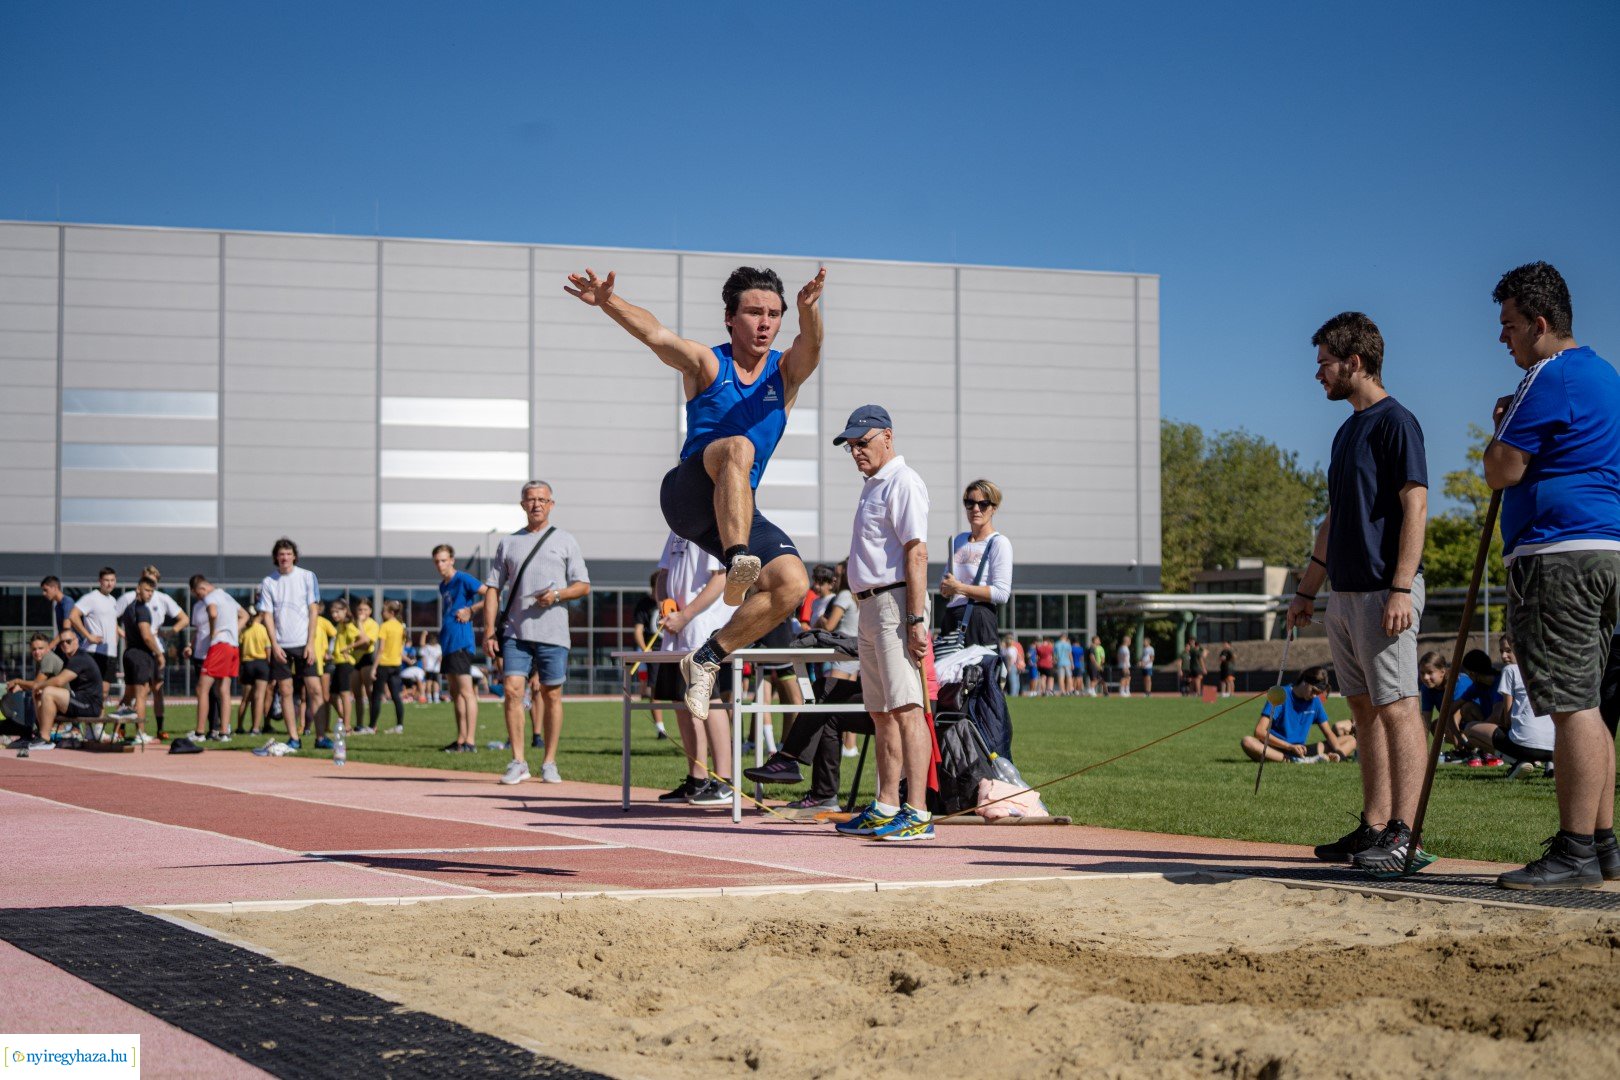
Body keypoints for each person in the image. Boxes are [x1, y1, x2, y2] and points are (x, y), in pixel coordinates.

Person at [565, 263, 825, 721]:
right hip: (687, 494)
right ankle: (739, 559)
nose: (765, 322)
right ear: (730, 317)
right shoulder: (709, 363)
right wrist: (608, 301)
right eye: (753, 312)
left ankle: (707, 656)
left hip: (733, 507)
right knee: (737, 446)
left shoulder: (785, 373)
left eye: (774, 313)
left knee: (791, 585)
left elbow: (813, 345)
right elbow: (657, 335)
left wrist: (808, 311)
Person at [1484, 261, 1620, 889]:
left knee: (1571, 707)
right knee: (1589, 702)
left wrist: (1500, 430)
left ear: (1540, 324)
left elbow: (1502, 469)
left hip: (1559, 553)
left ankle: (1574, 850)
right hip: (1604, 548)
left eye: (1509, 325)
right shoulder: (1604, 374)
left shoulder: (1550, 374)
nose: (1503, 337)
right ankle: (1601, 842)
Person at [1289, 311, 1431, 879]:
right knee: (1365, 710)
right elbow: (1334, 519)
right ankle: (1375, 825)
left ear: (1355, 361)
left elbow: (1415, 504)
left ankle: (1407, 834)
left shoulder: (1398, 422)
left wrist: (1401, 586)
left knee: (1399, 708)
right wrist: (1306, 591)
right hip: (1345, 595)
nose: (1318, 374)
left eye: (1324, 362)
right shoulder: (1346, 429)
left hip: (1383, 591)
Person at [828, 405, 934, 842]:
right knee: (880, 712)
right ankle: (886, 804)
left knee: (907, 709)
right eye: (851, 445)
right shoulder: (872, 486)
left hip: (894, 602)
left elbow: (917, 551)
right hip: (870, 606)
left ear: (887, 436)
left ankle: (919, 813)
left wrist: (915, 618)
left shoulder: (902, 481)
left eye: (863, 442)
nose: (856, 451)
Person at [482, 480, 591, 785]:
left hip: (553, 632)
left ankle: (549, 761)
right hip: (515, 632)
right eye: (531, 500)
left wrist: (556, 596)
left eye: (542, 499)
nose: (537, 504)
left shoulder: (565, 540)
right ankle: (518, 760)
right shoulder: (508, 543)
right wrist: (489, 631)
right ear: (522, 505)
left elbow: (583, 585)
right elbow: (493, 588)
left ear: (551, 504)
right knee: (513, 690)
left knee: (551, 694)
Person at [652, 531, 736, 806]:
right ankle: (697, 778)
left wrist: (686, 615)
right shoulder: (677, 529)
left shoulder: (709, 526)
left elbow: (720, 578)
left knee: (709, 701)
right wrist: (665, 607)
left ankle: (725, 780)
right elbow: (663, 573)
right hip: (676, 633)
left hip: (702, 630)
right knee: (681, 702)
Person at [259, 538, 324, 751]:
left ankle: (321, 736)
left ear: (294, 555)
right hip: (281, 645)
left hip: (303, 643)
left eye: (288, 553)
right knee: (285, 691)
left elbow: (313, 611)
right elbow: (267, 615)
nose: (284, 557)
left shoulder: (307, 576)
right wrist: (274, 644)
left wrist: (311, 643)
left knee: (315, 689)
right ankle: (293, 737)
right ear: (276, 557)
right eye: (281, 554)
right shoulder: (269, 582)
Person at [1459, 636, 1555, 779]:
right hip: (1554, 747)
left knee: (1470, 730)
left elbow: (1507, 718)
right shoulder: (1548, 670)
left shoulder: (1510, 670)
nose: (1504, 656)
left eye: (1509, 651)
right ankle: (1551, 767)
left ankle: (1517, 762)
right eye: (1501, 651)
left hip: (1525, 745)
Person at [111, 564, 188, 733]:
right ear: (140, 584)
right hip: (140, 650)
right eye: (147, 582)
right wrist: (121, 632)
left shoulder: (162, 599)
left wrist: (169, 633)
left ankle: (159, 729)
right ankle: (132, 730)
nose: (150, 587)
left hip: (153, 648)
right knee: (138, 692)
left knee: (155, 690)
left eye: (153, 583)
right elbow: (112, 616)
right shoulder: (131, 600)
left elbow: (184, 619)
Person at [940, 480, 1013, 651]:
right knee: (948, 676)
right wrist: (946, 588)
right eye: (970, 503)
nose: (975, 509)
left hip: (978, 619)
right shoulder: (959, 540)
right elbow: (945, 585)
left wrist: (959, 588)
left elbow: (1002, 593)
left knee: (975, 676)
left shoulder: (998, 543)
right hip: (952, 617)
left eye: (983, 504)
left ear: (994, 508)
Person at [1241, 666, 1354, 763]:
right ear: (1305, 681)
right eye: (1313, 691)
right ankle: (1294, 761)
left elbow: (1329, 733)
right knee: (1247, 741)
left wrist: (1338, 753)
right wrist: (1289, 746)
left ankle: (1326, 759)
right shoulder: (1280, 694)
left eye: (1318, 693)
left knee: (1351, 740)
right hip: (1277, 748)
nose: (1315, 696)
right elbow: (1259, 731)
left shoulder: (1315, 702)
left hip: (1301, 749)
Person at [433, 544, 484, 752]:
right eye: (437, 561)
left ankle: (470, 741)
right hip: (447, 644)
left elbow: (491, 594)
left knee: (466, 692)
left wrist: (471, 610)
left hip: (461, 642)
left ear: (452, 560)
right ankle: (461, 739)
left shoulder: (463, 579)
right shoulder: (443, 586)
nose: (440, 565)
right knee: (455, 693)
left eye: (443, 560)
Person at [185, 574, 241, 747]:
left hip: (219, 646)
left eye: (199, 595)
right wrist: (232, 630)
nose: (201, 599)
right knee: (223, 689)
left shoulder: (211, 597)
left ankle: (200, 732)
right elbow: (245, 615)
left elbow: (213, 612)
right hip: (233, 646)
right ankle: (224, 732)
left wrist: (214, 631)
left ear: (202, 588)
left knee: (202, 688)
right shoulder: (227, 596)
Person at [28, 628, 103, 749]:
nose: (64, 644)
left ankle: (45, 739)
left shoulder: (79, 658)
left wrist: (38, 685)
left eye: (68, 641)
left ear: (77, 641)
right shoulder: (70, 659)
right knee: (39, 694)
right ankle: (41, 734)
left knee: (47, 691)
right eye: (62, 642)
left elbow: (59, 681)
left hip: (89, 705)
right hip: (79, 700)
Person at [114, 575, 162, 743]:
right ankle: (140, 733)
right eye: (147, 590)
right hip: (140, 655)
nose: (149, 594)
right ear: (138, 589)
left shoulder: (129, 608)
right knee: (141, 695)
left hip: (129, 654)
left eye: (152, 591)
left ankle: (116, 731)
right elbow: (147, 635)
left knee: (128, 696)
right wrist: (159, 653)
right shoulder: (142, 609)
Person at [68, 567, 119, 700]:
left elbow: (111, 623)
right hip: (94, 652)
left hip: (110, 653)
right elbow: (73, 616)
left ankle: (98, 721)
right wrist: (88, 636)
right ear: (100, 581)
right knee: (91, 690)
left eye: (112, 580)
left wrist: (119, 635)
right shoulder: (91, 598)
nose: (109, 583)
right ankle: (84, 719)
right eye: (106, 580)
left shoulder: (113, 600)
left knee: (104, 692)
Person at [4, 633, 63, 745]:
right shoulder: (41, 660)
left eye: (41, 648)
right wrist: (21, 686)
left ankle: (30, 734)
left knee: (30, 696)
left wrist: (17, 681)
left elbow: (36, 684)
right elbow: (39, 684)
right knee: (29, 694)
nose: (37, 652)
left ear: (48, 648)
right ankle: (29, 734)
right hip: (53, 699)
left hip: (64, 702)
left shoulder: (48, 658)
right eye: (34, 649)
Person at [631, 573, 669, 739]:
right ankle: (661, 729)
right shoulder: (644, 604)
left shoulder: (672, 602)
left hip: (672, 651)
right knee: (656, 692)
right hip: (654, 651)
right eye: (656, 589)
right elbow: (638, 631)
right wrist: (645, 649)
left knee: (679, 692)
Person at [371, 600, 407, 740]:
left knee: (377, 696)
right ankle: (399, 725)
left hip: (384, 664)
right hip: (396, 664)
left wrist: (374, 668)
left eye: (383, 611)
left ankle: (371, 725)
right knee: (396, 696)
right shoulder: (400, 627)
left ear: (391, 613)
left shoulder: (385, 626)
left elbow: (380, 649)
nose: (381, 614)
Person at [325, 599, 359, 736]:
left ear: (345, 610)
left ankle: (347, 727)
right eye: (332, 612)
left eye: (337, 611)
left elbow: (363, 638)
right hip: (337, 662)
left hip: (346, 663)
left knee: (345, 694)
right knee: (332, 697)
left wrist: (348, 648)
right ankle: (345, 720)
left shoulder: (348, 624)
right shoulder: (339, 625)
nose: (334, 615)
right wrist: (332, 654)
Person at [238, 611, 271, 735]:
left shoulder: (245, 630)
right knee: (259, 697)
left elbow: (240, 651)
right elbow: (268, 651)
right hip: (261, 664)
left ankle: (240, 726)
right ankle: (256, 728)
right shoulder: (263, 629)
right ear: (260, 615)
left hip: (247, 664)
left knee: (245, 699)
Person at [352, 597, 378, 719]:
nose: (362, 612)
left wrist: (360, 624)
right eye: (360, 609)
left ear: (370, 611)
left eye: (365, 609)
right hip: (353, 660)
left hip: (367, 659)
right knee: (357, 695)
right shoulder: (352, 623)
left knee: (370, 692)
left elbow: (366, 643)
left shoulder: (373, 624)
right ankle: (359, 723)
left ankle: (373, 723)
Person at [39, 576, 75, 652]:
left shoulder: (67, 602)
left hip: (73, 646)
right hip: (63, 644)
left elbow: (66, 630)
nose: (44, 593)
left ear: (55, 588)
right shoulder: (57, 606)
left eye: (46, 590)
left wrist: (49, 647)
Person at [419, 632, 443, 705]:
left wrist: (424, 667)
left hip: (429, 668)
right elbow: (440, 657)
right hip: (435, 668)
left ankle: (429, 698)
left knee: (429, 683)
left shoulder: (426, 647)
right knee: (435, 682)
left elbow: (423, 657)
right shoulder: (438, 647)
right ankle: (435, 698)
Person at [1001, 633, 1024, 699]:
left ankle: (1013, 694)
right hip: (1013, 666)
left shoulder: (1010, 649)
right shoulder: (1010, 648)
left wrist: (1008, 667)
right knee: (1015, 681)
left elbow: (1010, 659)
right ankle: (1014, 694)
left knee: (1013, 681)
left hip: (1011, 666)